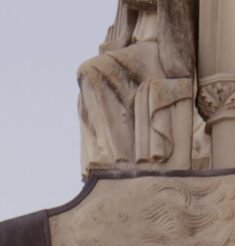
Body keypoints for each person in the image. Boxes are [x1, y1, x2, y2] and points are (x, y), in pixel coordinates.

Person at [77, 0, 196, 172]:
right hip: (137, 49)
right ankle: (112, 154)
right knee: (89, 82)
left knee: (91, 71)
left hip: (162, 52)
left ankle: (118, 157)